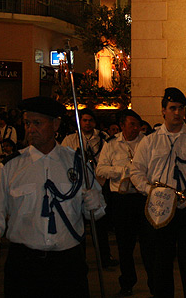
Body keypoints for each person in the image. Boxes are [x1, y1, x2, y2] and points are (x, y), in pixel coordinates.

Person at [0, 96, 106, 298]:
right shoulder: (11, 167)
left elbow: (96, 212)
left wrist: (95, 205)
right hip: (25, 265)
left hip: (68, 264)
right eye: (27, 123)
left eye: (37, 123)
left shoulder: (77, 163)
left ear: (55, 124)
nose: (30, 129)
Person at [129, 87, 186, 298]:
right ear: (163, 111)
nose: (177, 113)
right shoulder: (149, 141)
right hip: (159, 210)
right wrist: (151, 191)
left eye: (181, 108)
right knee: (160, 264)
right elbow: (136, 171)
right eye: (173, 108)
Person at [97, 109, 155, 297]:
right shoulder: (112, 144)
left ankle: (155, 282)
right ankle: (127, 282)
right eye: (132, 124)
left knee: (148, 244)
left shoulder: (147, 142)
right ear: (122, 125)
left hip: (143, 197)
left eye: (138, 125)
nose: (136, 128)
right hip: (121, 200)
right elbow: (101, 169)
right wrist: (123, 171)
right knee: (124, 245)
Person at [61, 108, 114, 267]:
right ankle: (79, 259)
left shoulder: (103, 138)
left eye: (90, 120)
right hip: (78, 185)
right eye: (84, 120)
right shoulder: (71, 139)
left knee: (100, 225)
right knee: (78, 224)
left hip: (99, 183)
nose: (87, 123)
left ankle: (105, 257)